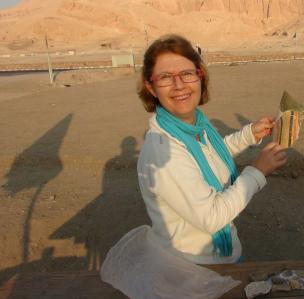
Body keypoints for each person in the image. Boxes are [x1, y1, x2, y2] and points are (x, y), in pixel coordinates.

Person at [121, 34, 286, 265]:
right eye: (165, 77)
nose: (179, 85)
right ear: (151, 86)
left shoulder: (195, 124)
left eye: (187, 73)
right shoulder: (164, 151)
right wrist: (257, 172)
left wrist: (249, 134)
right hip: (195, 268)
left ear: (200, 76)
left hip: (223, 253)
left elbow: (212, 156)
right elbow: (211, 217)